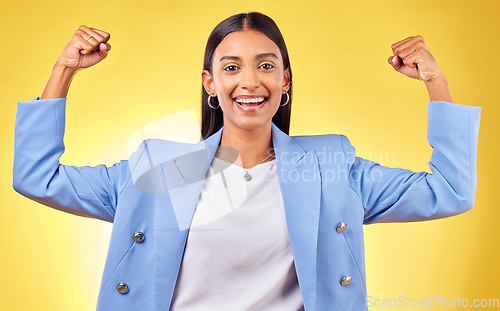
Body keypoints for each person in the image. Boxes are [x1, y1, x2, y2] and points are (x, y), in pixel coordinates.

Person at [13, 12, 481, 311]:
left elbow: (450, 191)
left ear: (286, 79)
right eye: (231, 67)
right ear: (210, 83)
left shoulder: (330, 169)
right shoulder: (163, 170)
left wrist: (436, 83)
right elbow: (38, 177)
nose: (250, 81)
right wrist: (64, 71)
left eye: (266, 64)